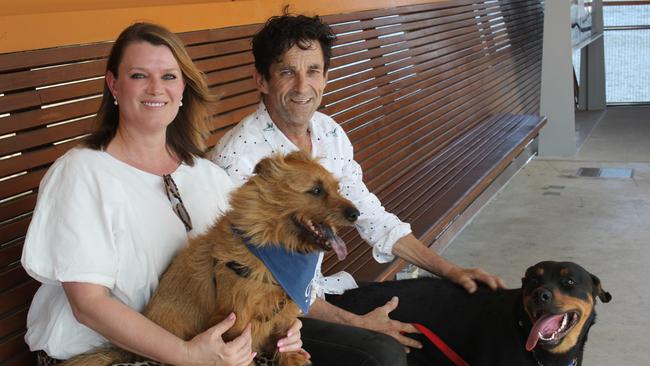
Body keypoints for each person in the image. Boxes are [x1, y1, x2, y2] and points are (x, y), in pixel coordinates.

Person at [212, 11, 507, 365]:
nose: (303, 87)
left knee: (446, 301)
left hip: (322, 291)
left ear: (326, 77)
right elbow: (263, 279)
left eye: (313, 71)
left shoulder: (328, 132)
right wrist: (359, 325)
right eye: (288, 72)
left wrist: (448, 269)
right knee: (382, 352)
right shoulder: (239, 160)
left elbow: (368, 213)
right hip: (273, 316)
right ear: (261, 79)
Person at [21, 22, 304, 366]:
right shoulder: (82, 172)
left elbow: (251, 273)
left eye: (169, 76)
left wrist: (281, 326)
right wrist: (186, 355)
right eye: (139, 75)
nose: (156, 88)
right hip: (100, 357)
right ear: (114, 84)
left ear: (183, 86)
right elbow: (89, 306)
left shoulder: (207, 176)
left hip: (201, 345)